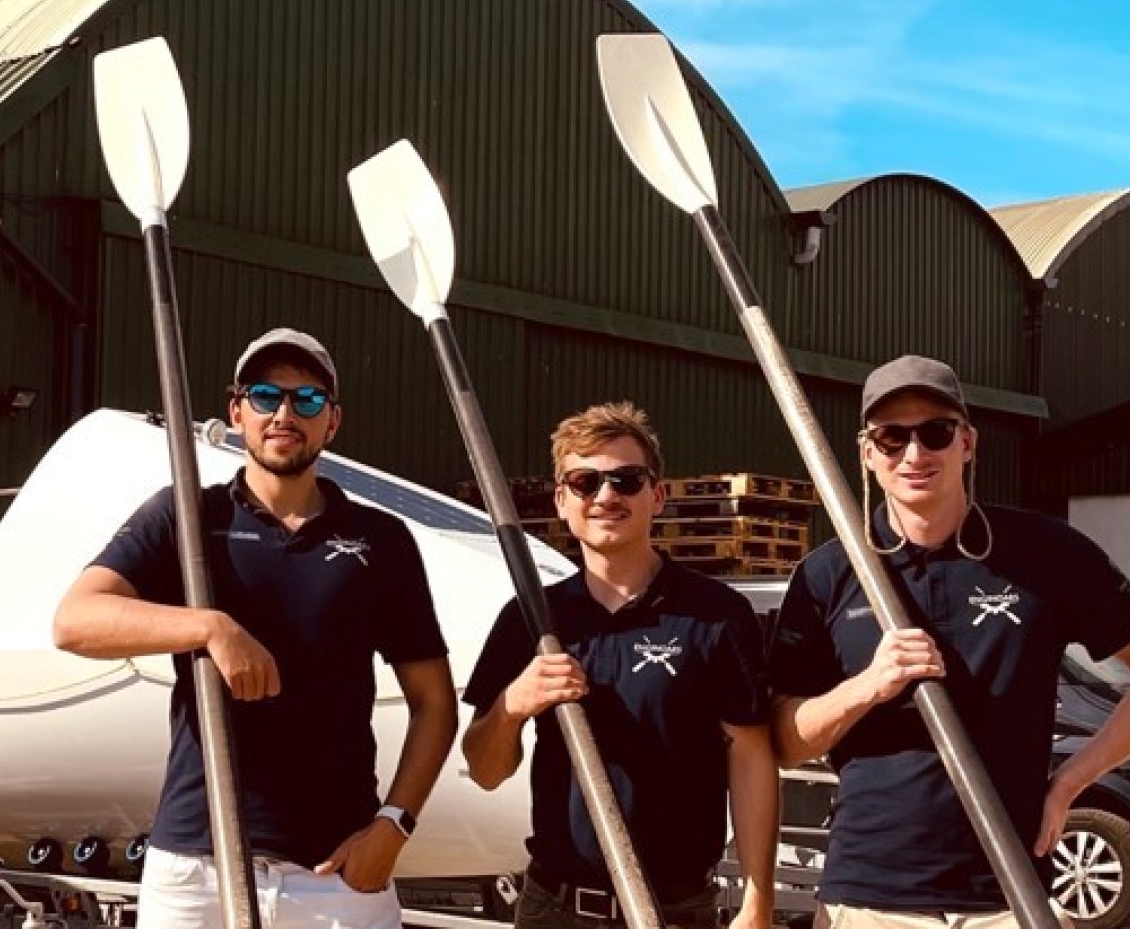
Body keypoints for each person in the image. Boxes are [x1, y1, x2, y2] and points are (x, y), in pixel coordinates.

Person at [53, 327, 457, 929]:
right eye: (266, 396)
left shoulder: (382, 541)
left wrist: (393, 826)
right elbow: (75, 620)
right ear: (237, 411)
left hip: (338, 873)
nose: (285, 414)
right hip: (197, 866)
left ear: (333, 422)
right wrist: (211, 627)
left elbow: (435, 703)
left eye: (308, 400)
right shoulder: (188, 517)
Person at [770, 354, 1130, 929]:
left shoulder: (1047, 553)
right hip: (870, 898)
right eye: (891, 437)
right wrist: (866, 687)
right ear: (868, 453)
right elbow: (785, 742)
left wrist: (1069, 782)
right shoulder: (828, 574)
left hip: (1009, 897)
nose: (914, 455)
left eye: (935, 433)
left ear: (967, 443)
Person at [462, 401, 776, 929]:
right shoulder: (532, 618)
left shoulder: (715, 616)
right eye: (586, 483)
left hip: (674, 910)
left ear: (657, 495)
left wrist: (759, 900)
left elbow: (751, 759)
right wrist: (512, 707)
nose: (606, 496)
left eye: (626, 480)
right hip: (556, 909)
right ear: (562, 502)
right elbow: (485, 770)